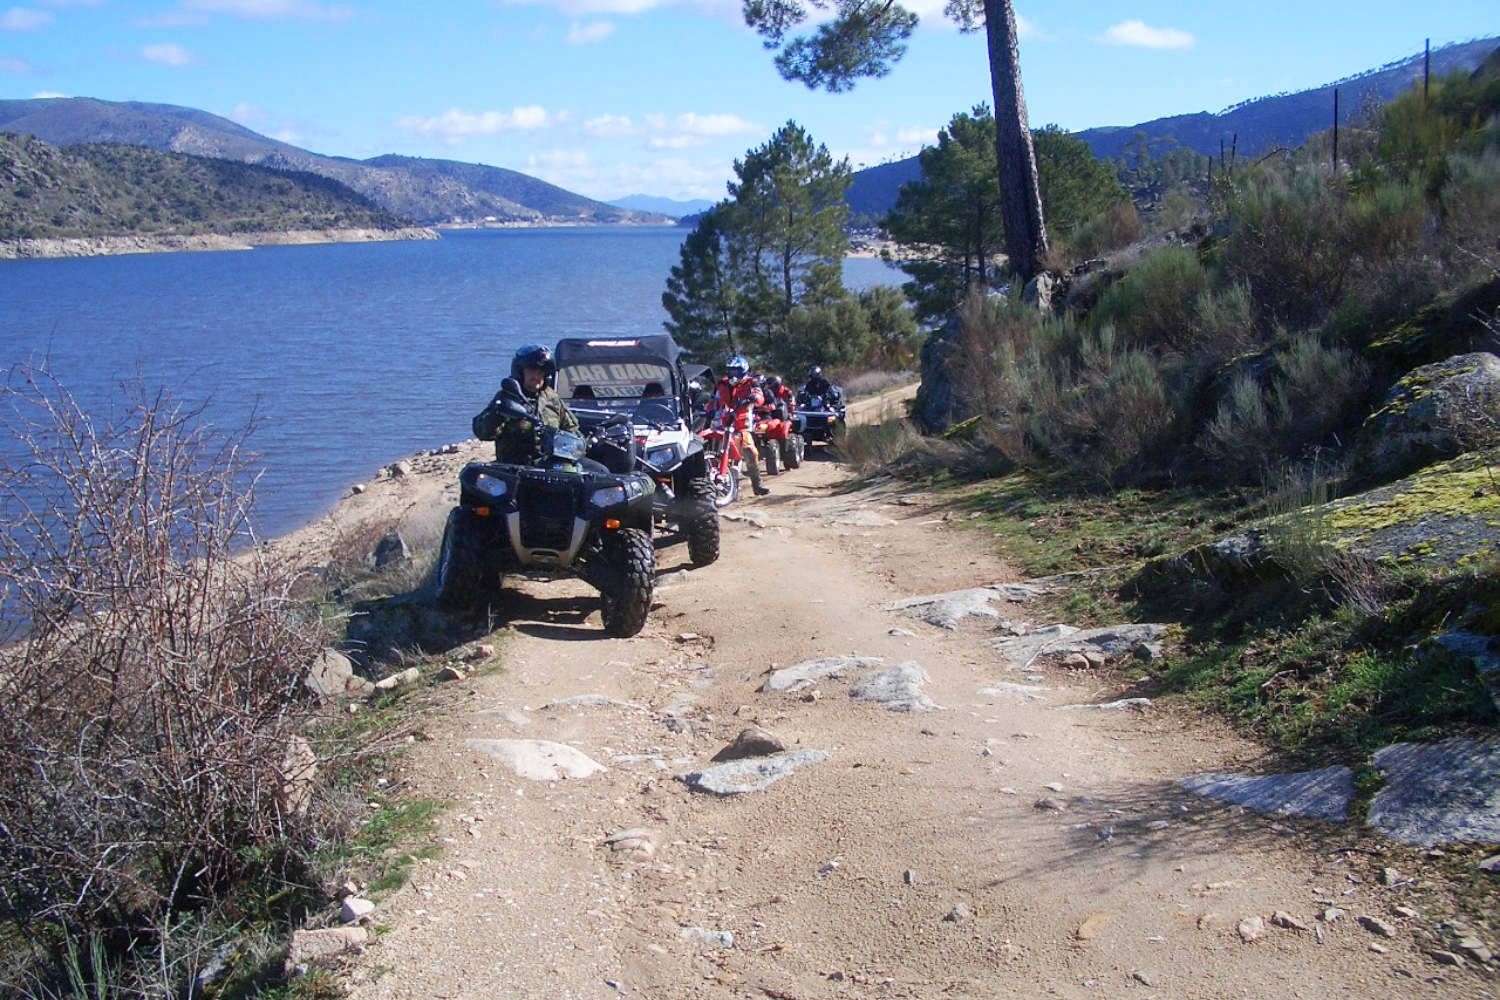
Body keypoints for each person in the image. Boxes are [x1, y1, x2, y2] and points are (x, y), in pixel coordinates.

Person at [473, 343, 579, 464]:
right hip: (515, 469)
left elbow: (572, 428)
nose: (537, 375)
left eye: (541, 371)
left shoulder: (551, 398)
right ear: (520, 371)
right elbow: (482, 432)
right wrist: (498, 414)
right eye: (532, 370)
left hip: (549, 465)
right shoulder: (508, 397)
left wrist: (575, 445)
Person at [710, 355, 770, 496]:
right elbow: (714, 400)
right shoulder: (722, 384)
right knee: (710, 444)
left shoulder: (751, 382)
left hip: (742, 422)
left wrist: (754, 398)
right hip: (722, 421)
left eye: (736, 371)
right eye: (730, 371)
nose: (733, 375)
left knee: (750, 452)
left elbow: (759, 396)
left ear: (743, 371)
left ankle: (757, 484)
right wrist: (708, 410)